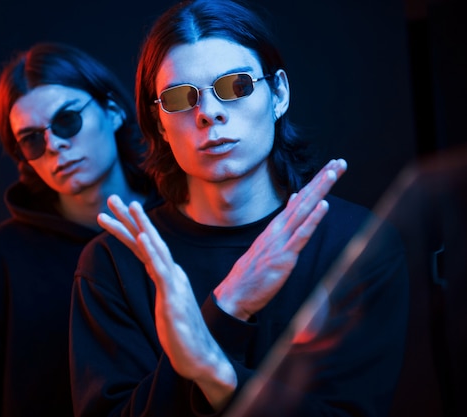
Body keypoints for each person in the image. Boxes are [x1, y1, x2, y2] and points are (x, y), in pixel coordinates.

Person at [69, 0, 409, 416]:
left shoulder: (357, 246)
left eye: (236, 86)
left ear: (279, 93)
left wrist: (214, 368)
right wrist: (227, 306)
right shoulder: (114, 264)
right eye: (180, 98)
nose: (209, 113)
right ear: (160, 123)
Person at [0, 42, 159, 417]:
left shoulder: (187, 223)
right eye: (32, 139)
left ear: (114, 110)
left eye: (67, 119)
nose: (54, 145)